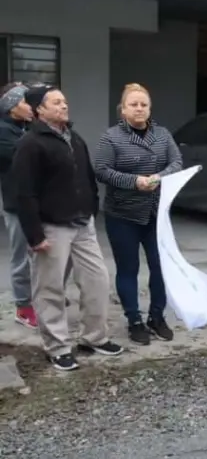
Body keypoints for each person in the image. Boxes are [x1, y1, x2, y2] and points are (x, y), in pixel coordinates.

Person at [11, 85, 123, 371]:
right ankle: (57, 346)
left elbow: (87, 176)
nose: (63, 106)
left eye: (64, 101)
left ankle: (94, 337)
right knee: (49, 289)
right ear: (40, 110)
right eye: (56, 102)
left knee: (97, 280)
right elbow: (24, 192)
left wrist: (91, 207)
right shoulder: (31, 143)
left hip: (82, 224)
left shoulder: (74, 137)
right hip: (51, 227)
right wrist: (35, 235)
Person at [93, 83, 182, 345]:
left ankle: (157, 316)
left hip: (156, 214)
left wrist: (158, 177)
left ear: (150, 108)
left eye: (144, 104)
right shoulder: (111, 137)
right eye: (134, 104)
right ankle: (134, 320)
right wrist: (135, 181)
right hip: (123, 214)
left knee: (160, 266)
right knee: (128, 268)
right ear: (123, 110)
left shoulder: (162, 134)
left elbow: (176, 162)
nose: (139, 109)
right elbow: (102, 170)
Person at [0, 82, 35, 328]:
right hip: (16, 204)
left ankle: (42, 298)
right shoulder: (3, 132)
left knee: (46, 254)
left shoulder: (28, 128)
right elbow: (29, 158)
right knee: (22, 257)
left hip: (39, 201)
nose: (32, 106)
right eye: (26, 102)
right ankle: (23, 307)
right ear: (12, 107)